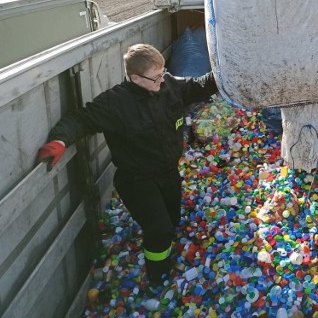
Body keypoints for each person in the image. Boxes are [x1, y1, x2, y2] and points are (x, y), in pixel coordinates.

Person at [37, 44, 218, 287]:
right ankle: (158, 275)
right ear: (135, 78)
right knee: (159, 230)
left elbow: (199, 86)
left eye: (163, 73)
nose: (161, 81)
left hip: (168, 173)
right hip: (137, 180)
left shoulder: (169, 85)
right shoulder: (115, 103)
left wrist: (227, 74)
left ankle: (163, 245)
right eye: (155, 77)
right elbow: (81, 119)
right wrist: (59, 140)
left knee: (172, 221)